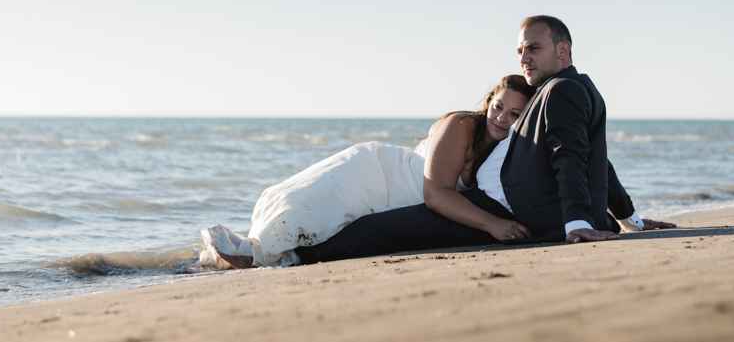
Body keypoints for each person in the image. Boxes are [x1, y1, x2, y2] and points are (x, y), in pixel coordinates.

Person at [293, 15, 674, 265]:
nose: (524, 58)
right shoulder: (575, 88)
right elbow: (597, 160)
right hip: (501, 206)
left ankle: (295, 258)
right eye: (520, 50)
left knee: (380, 230)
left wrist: (576, 222)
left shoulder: (559, 90)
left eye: (534, 48)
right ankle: (298, 251)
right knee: (382, 229)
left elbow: (570, 155)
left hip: (502, 209)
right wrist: (630, 219)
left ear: (563, 50)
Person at [200, 74, 536, 269]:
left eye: (514, 115)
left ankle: (261, 257)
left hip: (396, 202)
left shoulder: (502, 147)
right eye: (498, 107)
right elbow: (437, 194)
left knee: (336, 235)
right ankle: (253, 254)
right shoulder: (463, 125)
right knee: (309, 215)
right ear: (488, 101)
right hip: (376, 175)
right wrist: (494, 224)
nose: (501, 119)